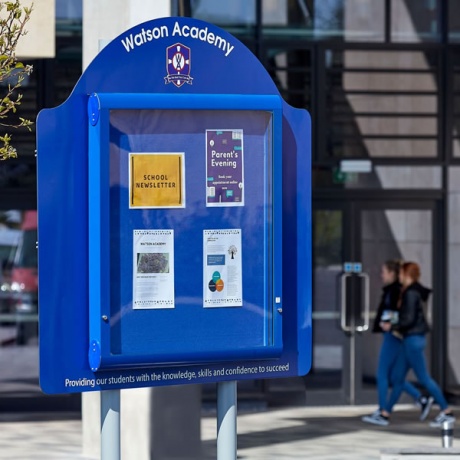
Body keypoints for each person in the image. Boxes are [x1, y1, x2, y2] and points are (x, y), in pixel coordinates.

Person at [383, 262, 455, 428]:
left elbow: (409, 319)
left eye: (401, 274)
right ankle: (385, 413)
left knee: (423, 377)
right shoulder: (415, 292)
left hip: (412, 340)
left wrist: (392, 326)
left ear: (407, 275)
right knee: (397, 377)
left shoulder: (411, 293)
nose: (399, 277)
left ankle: (446, 411)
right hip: (411, 339)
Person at [362, 260, 433, 426]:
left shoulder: (396, 291)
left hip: (394, 336)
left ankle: (382, 411)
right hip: (396, 336)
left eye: (384, 272)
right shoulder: (395, 290)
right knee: (395, 377)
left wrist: (388, 323)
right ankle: (419, 398)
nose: (382, 275)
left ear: (393, 274)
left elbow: (400, 314)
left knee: (382, 374)